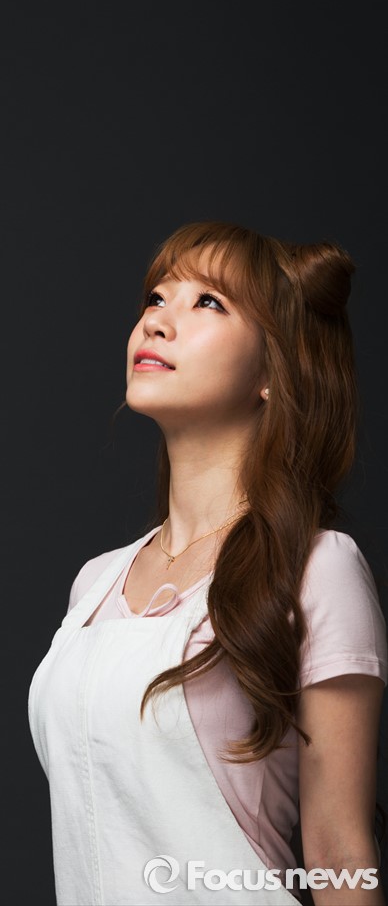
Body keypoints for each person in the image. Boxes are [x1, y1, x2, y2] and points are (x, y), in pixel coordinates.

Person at [27, 221, 388, 905]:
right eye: (156, 297)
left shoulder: (317, 568)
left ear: (272, 371)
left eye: (208, 302)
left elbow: (339, 851)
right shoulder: (95, 586)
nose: (157, 321)